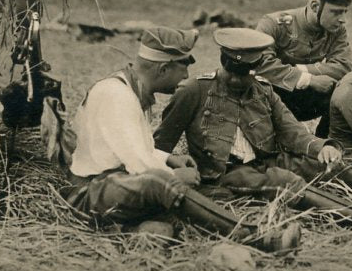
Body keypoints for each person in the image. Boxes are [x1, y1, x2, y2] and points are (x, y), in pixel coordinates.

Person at [153, 28, 352, 227]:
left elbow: (291, 130)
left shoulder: (261, 89)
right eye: (234, 73)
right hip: (225, 173)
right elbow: (160, 144)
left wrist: (320, 147)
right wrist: (172, 177)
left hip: (269, 158)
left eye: (247, 74)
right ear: (224, 63)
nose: (239, 81)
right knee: (288, 181)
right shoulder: (194, 91)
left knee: (331, 168)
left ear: (256, 69)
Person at [62, 27, 300, 253]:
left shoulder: (127, 89)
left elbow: (127, 149)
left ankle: (136, 230)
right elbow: (140, 167)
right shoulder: (117, 96)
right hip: (89, 193)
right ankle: (256, 237)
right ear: (163, 69)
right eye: (182, 68)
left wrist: (169, 158)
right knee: (161, 183)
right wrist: (176, 177)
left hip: (114, 186)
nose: (186, 76)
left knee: (176, 208)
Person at [254, 0, 352, 137]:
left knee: (346, 92)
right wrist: (309, 80)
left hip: (306, 101)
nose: (343, 20)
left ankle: (323, 143)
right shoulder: (274, 24)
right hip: (272, 102)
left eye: (345, 12)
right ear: (314, 6)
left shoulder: (336, 30)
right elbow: (261, 64)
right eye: (336, 12)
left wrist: (299, 71)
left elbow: (343, 66)